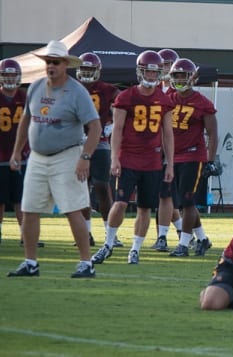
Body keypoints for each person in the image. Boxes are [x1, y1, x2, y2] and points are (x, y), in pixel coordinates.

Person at [7, 40, 101, 278]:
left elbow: (95, 127)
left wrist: (85, 157)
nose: (51, 66)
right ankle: (30, 262)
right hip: (37, 157)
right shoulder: (36, 87)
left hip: (67, 154)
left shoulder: (77, 91)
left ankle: (85, 263)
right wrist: (17, 151)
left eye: (56, 62)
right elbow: (26, 121)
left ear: (66, 65)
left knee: (72, 209)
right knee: (29, 209)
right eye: (48, 62)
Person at [90, 50, 174, 265]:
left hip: (152, 161)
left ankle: (135, 249)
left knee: (145, 207)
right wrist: (115, 159)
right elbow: (117, 130)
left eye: (155, 73)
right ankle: (108, 244)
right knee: (120, 203)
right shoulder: (126, 97)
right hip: (128, 158)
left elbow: (167, 134)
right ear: (140, 71)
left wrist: (170, 163)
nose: (152, 77)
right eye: (148, 72)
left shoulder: (163, 100)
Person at [159, 58, 218, 257]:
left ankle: (184, 244)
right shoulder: (169, 98)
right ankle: (202, 239)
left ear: (192, 77)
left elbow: (213, 133)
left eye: (183, 75)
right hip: (174, 158)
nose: (179, 79)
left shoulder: (203, 103)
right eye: (176, 75)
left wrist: (210, 160)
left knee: (187, 202)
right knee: (184, 201)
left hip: (193, 156)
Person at [0, 59, 43, 247]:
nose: (10, 78)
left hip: (22, 156)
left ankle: (25, 234)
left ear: (18, 77)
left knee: (23, 199)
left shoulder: (26, 98)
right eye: (7, 75)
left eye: (13, 75)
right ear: (0, 77)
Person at [76, 52, 121, 248]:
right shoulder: (73, 88)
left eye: (90, 69)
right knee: (81, 189)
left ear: (98, 71)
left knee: (103, 187)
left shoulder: (108, 90)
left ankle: (110, 233)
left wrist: (111, 124)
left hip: (100, 142)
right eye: (84, 69)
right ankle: (85, 233)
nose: (86, 73)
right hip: (76, 143)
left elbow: (119, 107)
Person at [152, 48, 183, 249]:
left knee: (166, 195)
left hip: (174, 148)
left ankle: (163, 237)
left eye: (167, 65)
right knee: (163, 196)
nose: (164, 69)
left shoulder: (178, 92)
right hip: (154, 148)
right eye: (162, 65)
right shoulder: (153, 90)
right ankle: (183, 232)